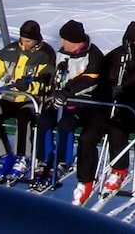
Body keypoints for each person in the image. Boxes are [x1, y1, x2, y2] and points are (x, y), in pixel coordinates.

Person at [72, 21, 135, 205]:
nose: (134, 46)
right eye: (132, 42)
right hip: (108, 105)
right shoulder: (117, 55)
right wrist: (105, 93)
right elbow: (101, 77)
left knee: (117, 129)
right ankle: (85, 179)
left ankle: (119, 169)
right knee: (87, 136)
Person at [0, 19, 56, 183]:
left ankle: (23, 157)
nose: (24, 43)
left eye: (28, 40)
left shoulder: (45, 54)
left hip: (31, 99)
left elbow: (46, 81)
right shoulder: (11, 50)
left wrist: (28, 86)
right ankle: (4, 156)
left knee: (24, 118)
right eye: (22, 39)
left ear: (36, 39)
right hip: (10, 97)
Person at [34, 19, 103, 188]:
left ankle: (63, 161)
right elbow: (54, 73)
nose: (61, 42)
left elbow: (90, 80)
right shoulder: (62, 53)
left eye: (65, 40)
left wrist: (67, 92)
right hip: (60, 99)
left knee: (66, 124)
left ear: (75, 42)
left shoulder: (93, 55)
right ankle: (45, 158)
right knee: (44, 120)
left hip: (83, 103)